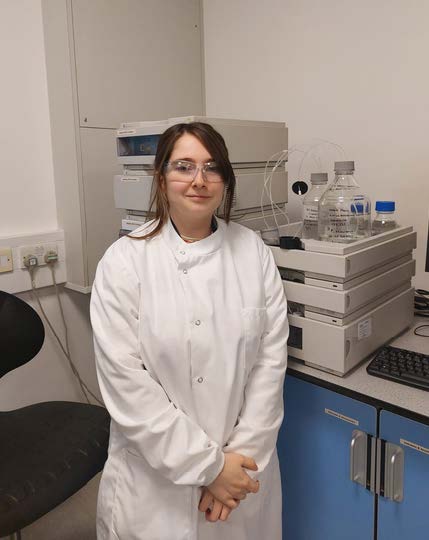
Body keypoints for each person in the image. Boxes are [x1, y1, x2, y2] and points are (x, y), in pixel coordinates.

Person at [90, 121, 289, 540]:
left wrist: (235, 469)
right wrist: (210, 468)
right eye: (184, 166)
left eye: (211, 167)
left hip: (241, 478)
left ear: (225, 181)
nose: (199, 180)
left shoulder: (253, 252)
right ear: (161, 180)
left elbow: (269, 369)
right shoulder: (124, 262)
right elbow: (128, 388)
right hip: (154, 487)